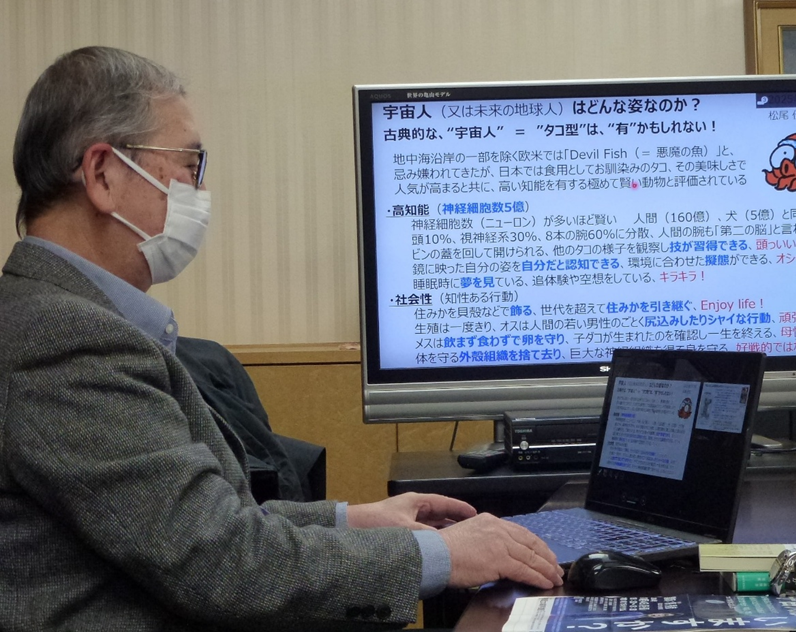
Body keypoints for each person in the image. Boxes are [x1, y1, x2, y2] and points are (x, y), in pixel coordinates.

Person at [0, 46, 562, 631]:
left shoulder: (54, 317)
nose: (199, 189)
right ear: (102, 174)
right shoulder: (64, 340)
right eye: (190, 165)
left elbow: (198, 525)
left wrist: (352, 521)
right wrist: (442, 555)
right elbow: (223, 564)